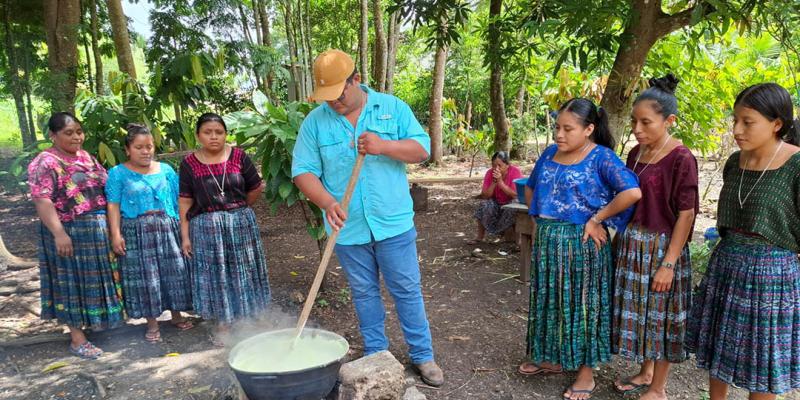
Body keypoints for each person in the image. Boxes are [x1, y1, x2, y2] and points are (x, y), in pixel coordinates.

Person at [292, 49, 443, 386]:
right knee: (364, 294)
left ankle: (422, 355)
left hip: (393, 223)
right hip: (348, 229)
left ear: (356, 80)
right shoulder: (315, 122)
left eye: (339, 94)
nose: (333, 103)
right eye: (326, 97)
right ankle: (377, 353)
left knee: (406, 290)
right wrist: (328, 202)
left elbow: (423, 149)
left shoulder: (391, 108)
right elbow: (302, 171)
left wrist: (383, 146)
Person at [519, 98, 641, 400]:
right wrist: (538, 219)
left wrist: (598, 219)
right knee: (550, 298)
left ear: (589, 129)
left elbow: (632, 191)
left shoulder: (602, 157)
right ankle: (552, 356)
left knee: (583, 306)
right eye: (557, 127)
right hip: (548, 241)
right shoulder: (550, 154)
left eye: (567, 129)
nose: (559, 135)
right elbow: (532, 186)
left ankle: (586, 374)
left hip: (583, 244)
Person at [687, 83, 800, 399]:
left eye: (747, 122)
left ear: (777, 123)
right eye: (735, 119)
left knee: (763, 362)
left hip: (773, 274)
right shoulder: (734, 162)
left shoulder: (796, 165)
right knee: (719, 348)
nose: (737, 129)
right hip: (727, 263)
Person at [611, 74, 699, 400]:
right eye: (635, 121)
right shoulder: (636, 154)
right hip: (634, 245)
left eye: (646, 122)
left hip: (664, 248)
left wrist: (669, 263)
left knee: (662, 319)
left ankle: (659, 388)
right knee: (646, 315)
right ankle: (646, 372)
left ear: (669, 120)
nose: (637, 128)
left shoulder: (681, 158)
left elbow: (687, 214)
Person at [27, 112, 125, 359]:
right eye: (68, 133)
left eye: (79, 131)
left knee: (91, 281)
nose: (76, 137)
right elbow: (42, 199)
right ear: (53, 135)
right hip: (68, 231)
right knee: (70, 283)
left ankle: (96, 325)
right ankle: (77, 338)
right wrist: (59, 233)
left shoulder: (87, 157)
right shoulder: (45, 162)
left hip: (95, 231)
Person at [178, 113, 270, 346]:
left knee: (245, 270)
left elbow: (255, 187)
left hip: (240, 223)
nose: (214, 137)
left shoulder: (239, 157)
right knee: (216, 276)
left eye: (219, 132)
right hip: (206, 227)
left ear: (225, 134)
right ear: (198, 135)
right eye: (207, 132)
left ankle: (251, 317)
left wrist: (238, 211)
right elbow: (185, 201)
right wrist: (185, 236)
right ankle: (223, 324)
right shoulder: (189, 164)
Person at [106, 124, 194, 343]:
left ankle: (176, 315)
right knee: (146, 278)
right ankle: (152, 324)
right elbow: (113, 205)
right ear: (128, 149)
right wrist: (115, 234)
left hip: (167, 227)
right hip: (137, 232)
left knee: (174, 271)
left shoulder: (166, 170)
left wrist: (184, 232)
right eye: (139, 147)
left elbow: (178, 201)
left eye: (149, 146)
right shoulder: (117, 173)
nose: (145, 151)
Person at [469, 151, 523, 244]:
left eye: (499, 165)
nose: (496, 168)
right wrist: (494, 183)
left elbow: (515, 194)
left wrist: (501, 183)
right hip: (496, 203)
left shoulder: (515, 172)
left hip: (510, 202)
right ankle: (480, 237)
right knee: (484, 205)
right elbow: (485, 196)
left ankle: (518, 241)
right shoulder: (489, 173)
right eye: (494, 165)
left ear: (507, 165)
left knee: (515, 208)